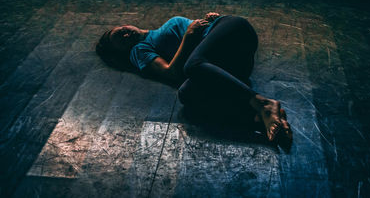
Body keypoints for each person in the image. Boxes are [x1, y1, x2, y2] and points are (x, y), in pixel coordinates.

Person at [96, 12, 292, 143]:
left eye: (121, 31)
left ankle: (262, 103)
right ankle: (259, 118)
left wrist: (206, 20)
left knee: (193, 65)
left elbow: (203, 40)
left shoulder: (157, 32)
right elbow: (171, 73)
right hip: (233, 64)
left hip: (234, 30)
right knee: (186, 93)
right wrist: (188, 37)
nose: (126, 36)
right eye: (121, 41)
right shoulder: (139, 50)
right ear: (124, 53)